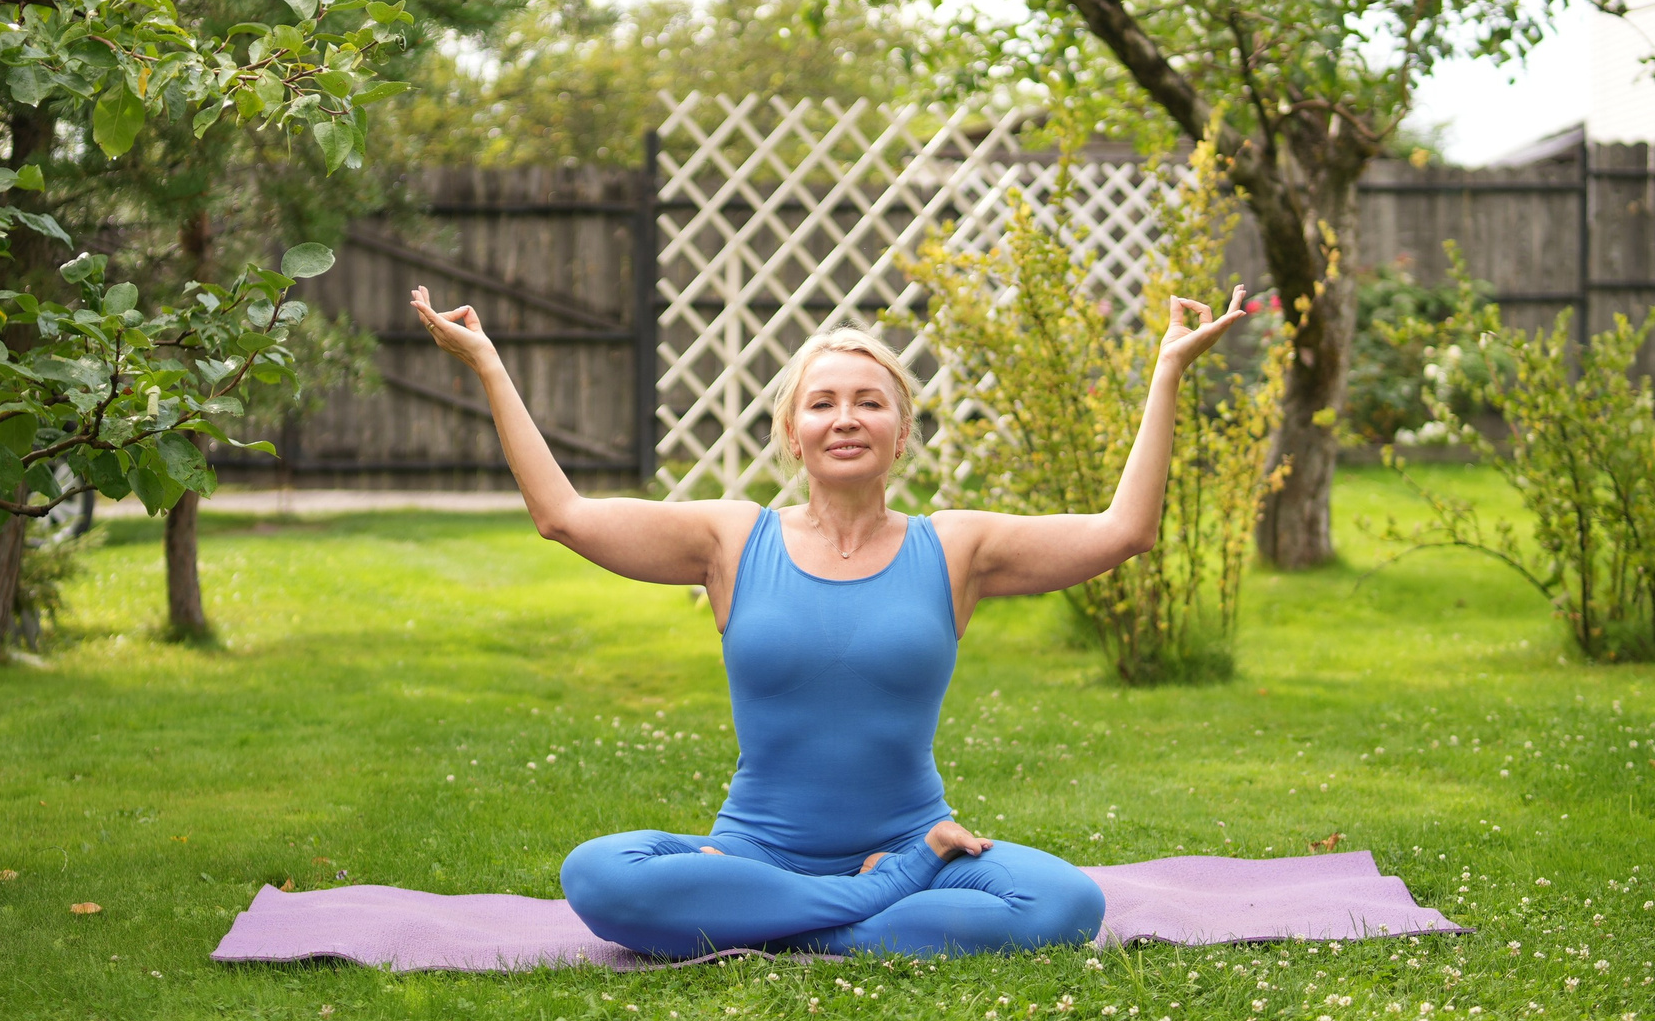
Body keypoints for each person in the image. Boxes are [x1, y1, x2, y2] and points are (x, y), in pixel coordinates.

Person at [407, 283, 1245, 958]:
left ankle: (770, 928)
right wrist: (487, 364)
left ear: (901, 430)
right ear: (793, 435)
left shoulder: (957, 547)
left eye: (870, 402)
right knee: (597, 874)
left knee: (1068, 902)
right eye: (823, 404)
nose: (846, 416)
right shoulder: (730, 538)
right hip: (772, 857)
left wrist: (1167, 368)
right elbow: (564, 516)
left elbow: (1123, 531)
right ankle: (861, 911)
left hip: (917, 840)